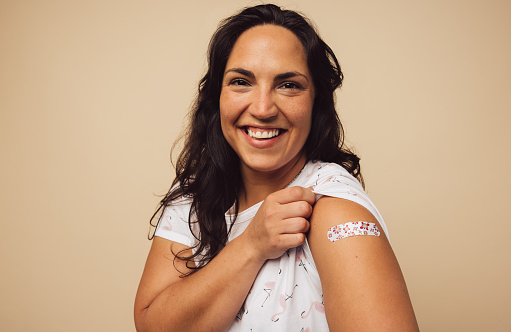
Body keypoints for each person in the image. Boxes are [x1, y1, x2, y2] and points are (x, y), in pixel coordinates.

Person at [134, 4, 419, 331]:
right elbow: (152, 324)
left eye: (288, 85)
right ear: (218, 96)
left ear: (317, 101)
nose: (262, 108)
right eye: (241, 81)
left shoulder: (337, 215)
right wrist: (252, 244)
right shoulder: (193, 196)